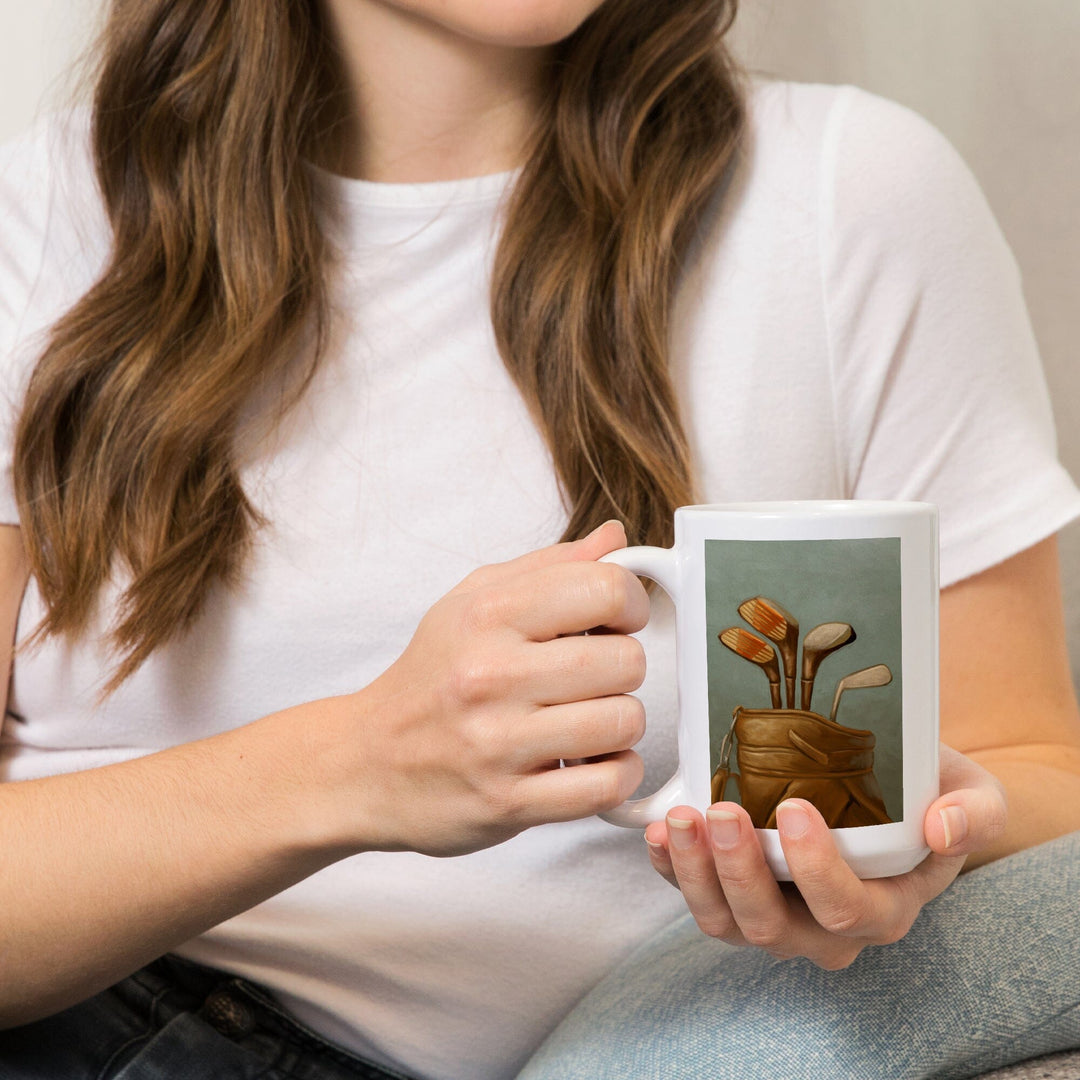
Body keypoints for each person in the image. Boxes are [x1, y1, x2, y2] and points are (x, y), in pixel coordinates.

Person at [0, 1, 1078, 1078]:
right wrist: (359, 764)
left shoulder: (852, 196)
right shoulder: (39, 219)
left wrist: (928, 848)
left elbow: (1033, 767)